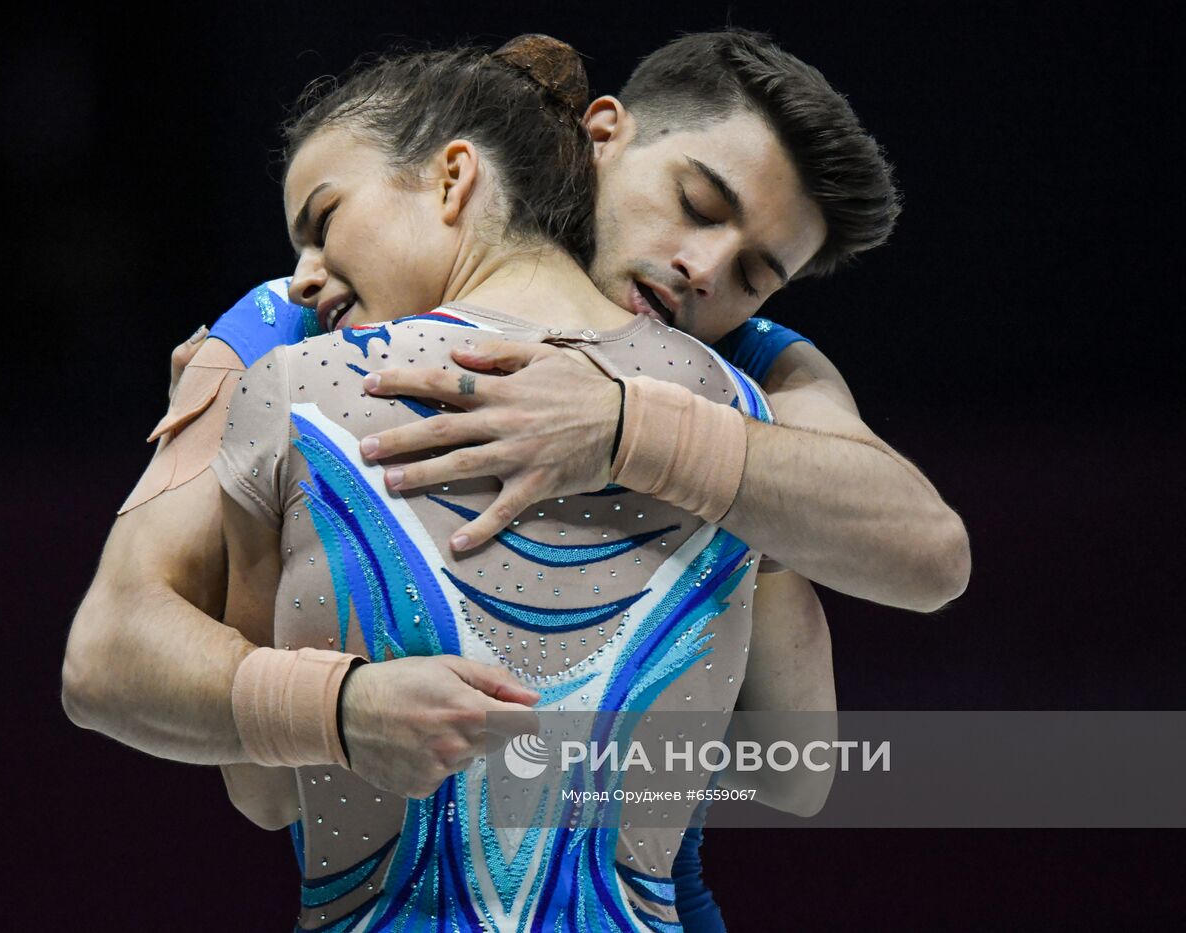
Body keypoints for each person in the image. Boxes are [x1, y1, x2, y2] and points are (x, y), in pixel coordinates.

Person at [62, 30, 966, 931]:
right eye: (695, 203)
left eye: (755, 275)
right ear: (603, 134)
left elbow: (920, 571)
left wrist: (628, 430)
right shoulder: (296, 320)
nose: (704, 270)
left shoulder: (745, 368)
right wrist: (337, 704)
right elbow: (110, 645)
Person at [211, 34, 790, 929]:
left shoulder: (293, 388)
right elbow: (802, 761)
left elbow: (264, 792)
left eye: (323, 222)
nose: (299, 280)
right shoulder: (745, 407)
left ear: (455, 177)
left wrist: (337, 708)